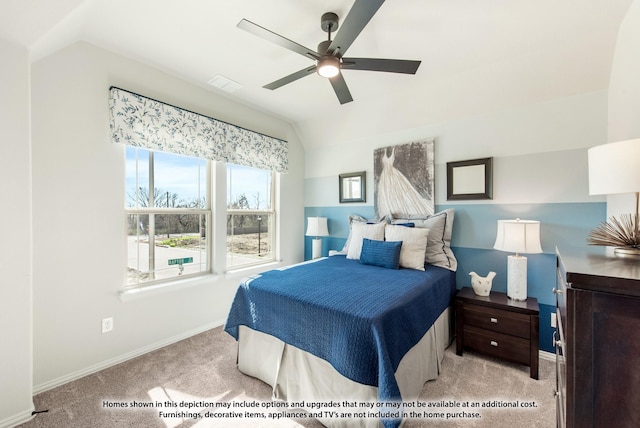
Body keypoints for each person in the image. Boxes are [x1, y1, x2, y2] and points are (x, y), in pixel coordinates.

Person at [376, 147, 433, 218]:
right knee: (386, 193)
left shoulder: (393, 150)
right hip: (385, 176)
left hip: (392, 174)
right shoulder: (384, 152)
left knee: (398, 192)